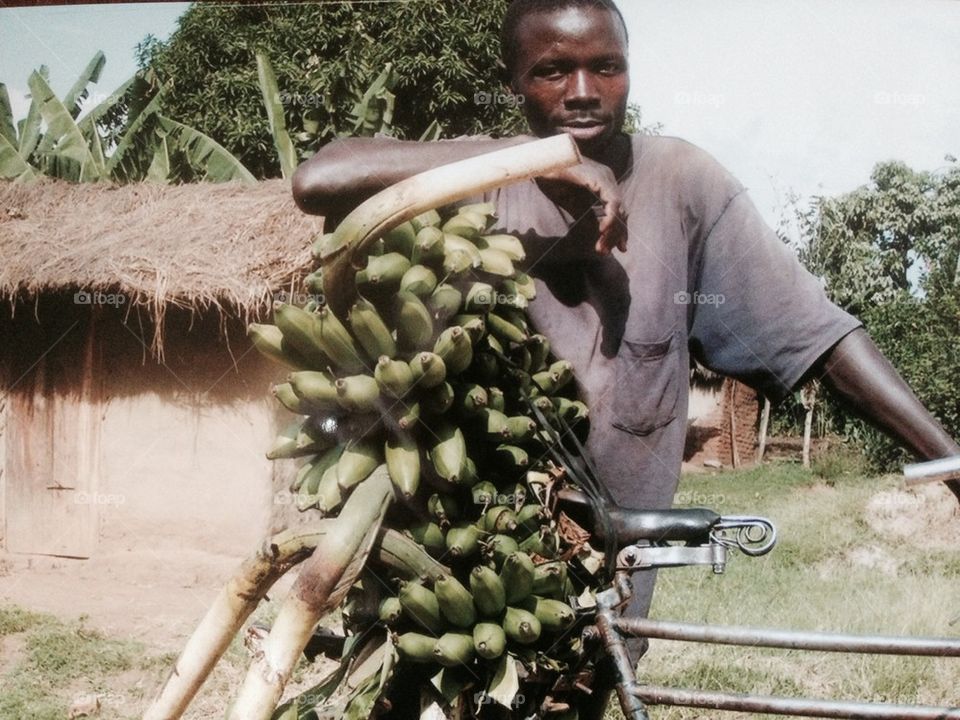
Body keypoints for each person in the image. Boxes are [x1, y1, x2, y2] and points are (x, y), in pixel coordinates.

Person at [293, 0, 960, 714]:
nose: (584, 91)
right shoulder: (469, 184)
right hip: (454, 577)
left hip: (608, 583)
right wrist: (538, 162)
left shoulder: (683, 187)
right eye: (552, 71)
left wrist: (948, 462)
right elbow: (320, 178)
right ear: (514, 81)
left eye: (606, 66)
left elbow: (818, 340)